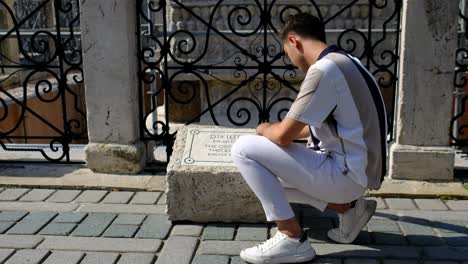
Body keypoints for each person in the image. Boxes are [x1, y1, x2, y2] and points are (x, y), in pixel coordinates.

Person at [230, 12, 388, 264]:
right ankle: (349, 209)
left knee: (243, 149)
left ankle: (291, 238)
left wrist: (263, 129)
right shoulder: (348, 62)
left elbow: (283, 135)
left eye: (286, 53)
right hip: (358, 173)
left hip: (345, 175)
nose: (291, 61)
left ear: (293, 41)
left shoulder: (323, 71)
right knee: (268, 183)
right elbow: (312, 128)